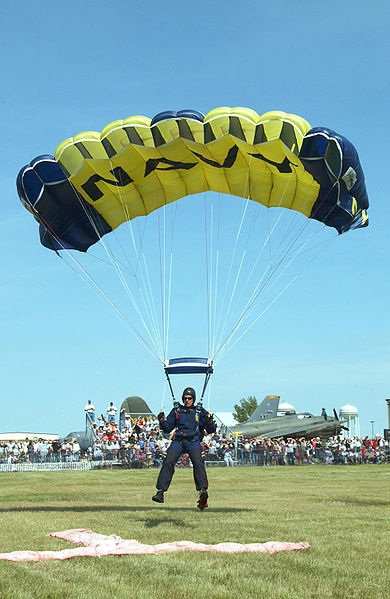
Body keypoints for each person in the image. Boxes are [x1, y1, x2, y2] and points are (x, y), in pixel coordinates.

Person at [152, 387, 217, 510]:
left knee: (198, 463)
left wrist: (209, 421)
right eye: (185, 398)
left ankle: (203, 491)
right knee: (168, 461)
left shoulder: (199, 411)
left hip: (193, 441)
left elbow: (211, 430)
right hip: (179, 441)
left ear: (193, 399)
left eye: (189, 398)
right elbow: (167, 428)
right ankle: (160, 491)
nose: (187, 400)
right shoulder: (177, 411)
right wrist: (161, 421)